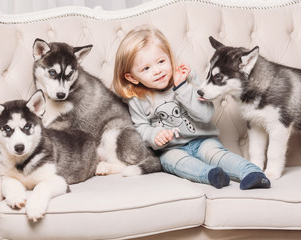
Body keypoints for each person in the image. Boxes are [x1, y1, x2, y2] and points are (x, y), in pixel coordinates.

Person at [113, 25, 270, 190]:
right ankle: (212, 175)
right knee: (174, 162)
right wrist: (154, 135)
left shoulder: (187, 78)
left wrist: (181, 86)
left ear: (169, 57)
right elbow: (141, 127)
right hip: (171, 148)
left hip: (203, 140)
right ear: (132, 77)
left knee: (217, 155)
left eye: (161, 61)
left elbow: (206, 114)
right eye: (146, 68)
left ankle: (253, 173)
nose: (157, 71)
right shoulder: (137, 99)